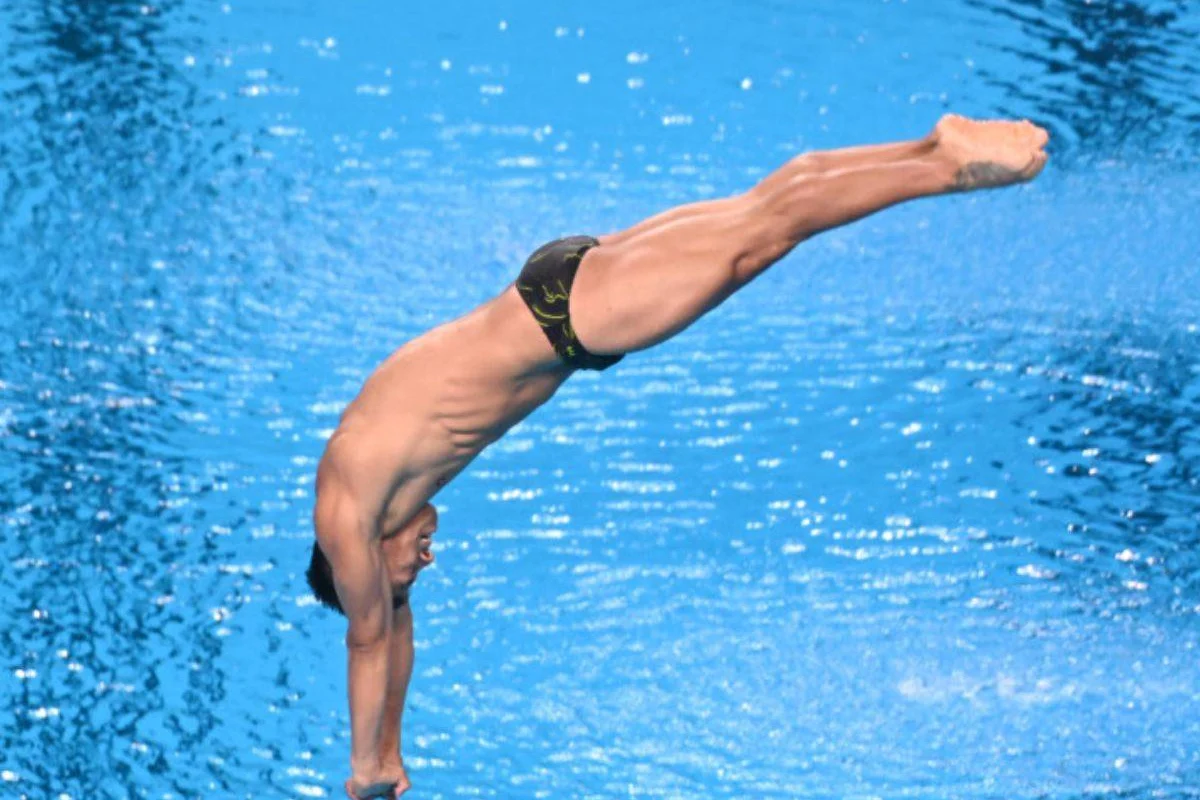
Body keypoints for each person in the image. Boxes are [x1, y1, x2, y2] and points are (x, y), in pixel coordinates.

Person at [304, 113, 1049, 799]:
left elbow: (368, 635)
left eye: (402, 574)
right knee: (762, 211)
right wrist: (394, 751)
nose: (424, 563)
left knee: (767, 231)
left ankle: (945, 168)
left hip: (572, 318)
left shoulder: (351, 517)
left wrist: (365, 768)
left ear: (360, 566)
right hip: (557, 285)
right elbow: (391, 629)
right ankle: (926, 145)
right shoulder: (370, 487)